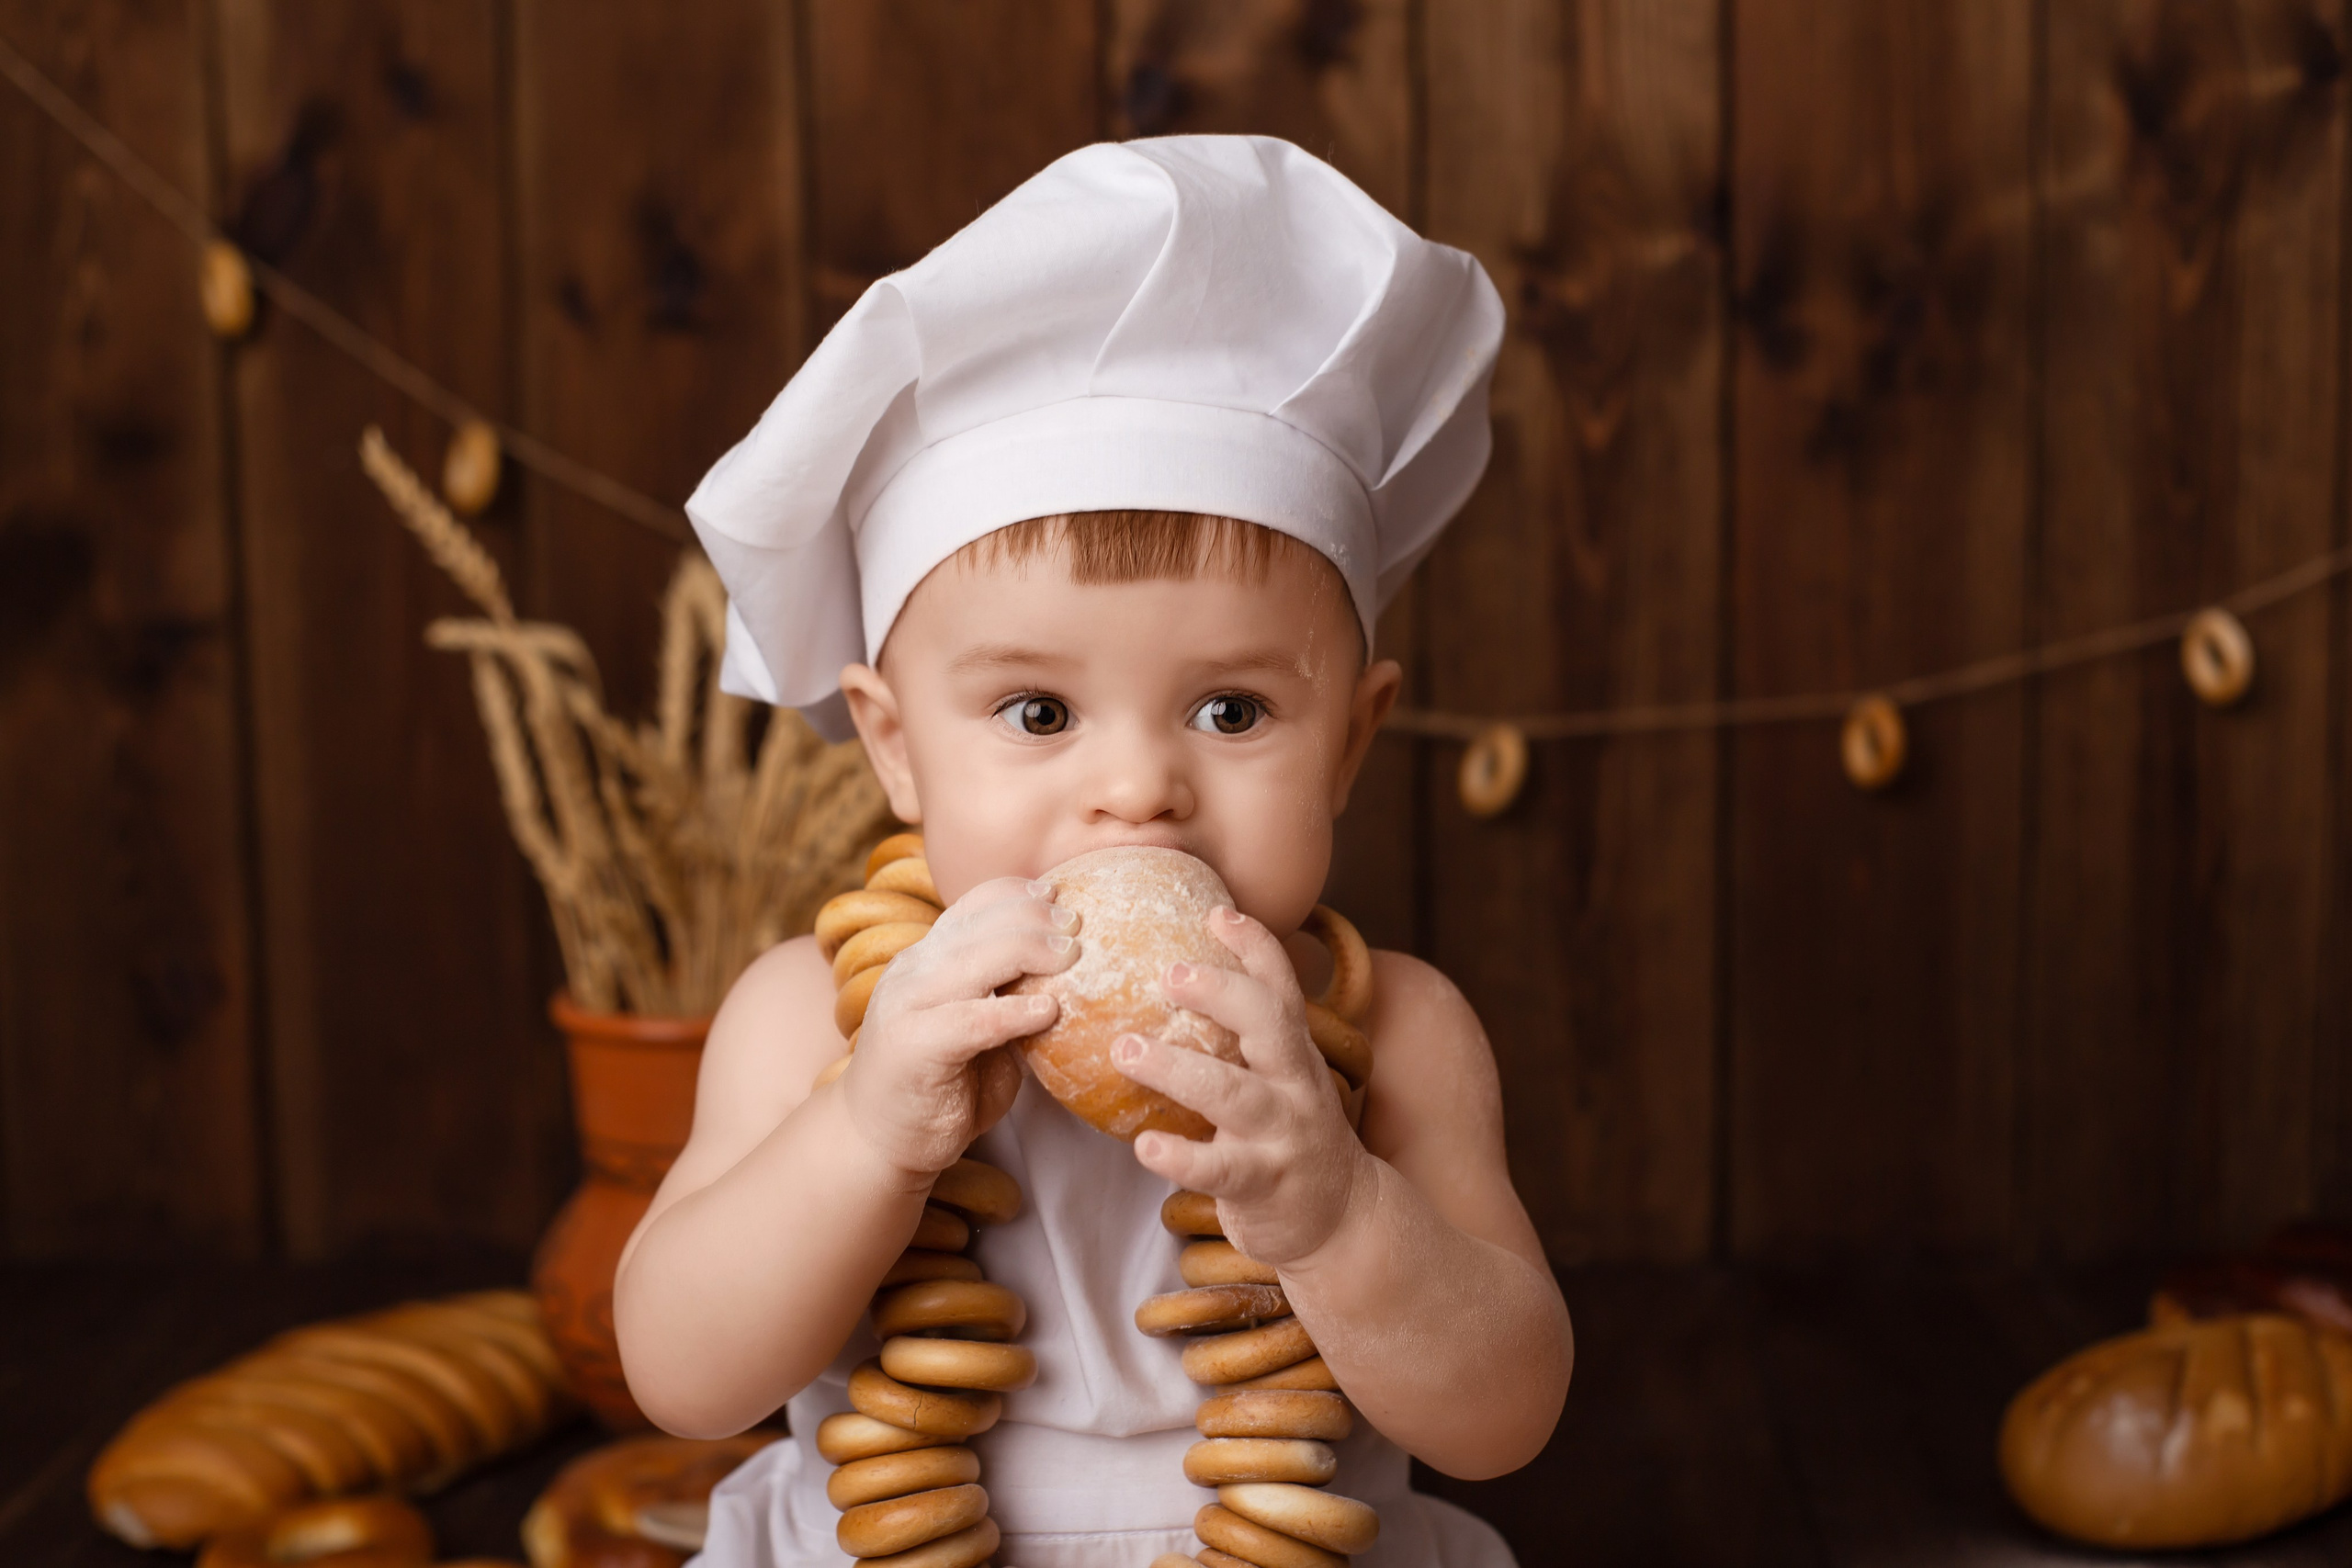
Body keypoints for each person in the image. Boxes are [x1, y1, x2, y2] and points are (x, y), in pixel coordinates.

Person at [615, 134, 1572, 1568]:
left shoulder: (1399, 1035)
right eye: (1038, 710)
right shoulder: (804, 1020)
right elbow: (686, 1380)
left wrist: (1336, 1213)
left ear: (1354, 743)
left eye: (1232, 708)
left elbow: (1504, 1419)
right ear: (891, 746)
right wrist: (868, 1137)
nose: (1137, 789)